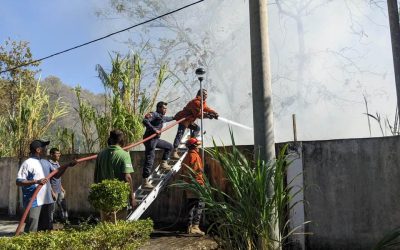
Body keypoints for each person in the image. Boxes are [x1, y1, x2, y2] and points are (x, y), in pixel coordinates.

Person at [16, 139, 76, 233]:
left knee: (46, 228)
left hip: (47, 200)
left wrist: (68, 165)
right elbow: (19, 182)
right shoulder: (28, 163)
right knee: (33, 227)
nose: (46, 149)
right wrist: (36, 181)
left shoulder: (45, 162)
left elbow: (56, 175)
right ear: (38, 150)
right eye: (44, 147)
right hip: (34, 201)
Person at [94, 129, 136, 210]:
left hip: (104, 198)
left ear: (110, 139)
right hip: (119, 199)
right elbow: (127, 177)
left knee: (105, 222)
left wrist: (97, 195)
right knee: (118, 221)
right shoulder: (124, 155)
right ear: (121, 140)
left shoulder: (100, 154)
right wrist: (132, 199)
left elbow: (96, 175)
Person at [172, 89, 218, 159]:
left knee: (197, 128)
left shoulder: (202, 102)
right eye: (205, 94)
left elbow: (206, 108)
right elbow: (198, 115)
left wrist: (214, 113)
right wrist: (208, 116)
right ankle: (174, 151)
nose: (206, 96)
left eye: (206, 94)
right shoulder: (196, 102)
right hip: (183, 119)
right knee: (180, 134)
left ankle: (191, 142)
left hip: (189, 120)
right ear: (201, 94)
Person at [142, 101, 174, 189]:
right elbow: (145, 120)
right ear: (159, 108)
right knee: (150, 159)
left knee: (169, 146)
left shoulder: (161, 117)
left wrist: (175, 117)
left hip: (156, 140)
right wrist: (154, 130)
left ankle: (164, 163)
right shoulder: (154, 114)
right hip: (150, 140)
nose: (165, 110)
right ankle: (145, 181)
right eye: (164, 108)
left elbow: (167, 118)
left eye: (166, 108)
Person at [181, 137, 206, 235]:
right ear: (194, 146)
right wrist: (200, 184)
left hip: (188, 184)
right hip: (196, 184)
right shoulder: (194, 156)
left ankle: (189, 226)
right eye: (198, 145)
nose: (199, 147)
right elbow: (197, 172)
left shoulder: (187, 156)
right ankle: (195, 226)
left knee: (191, 205)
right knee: (200, 204)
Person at [49, 148, 68, 223]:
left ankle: (65, 222)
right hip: (53, 190)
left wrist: (62, 188)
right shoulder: (49, 164)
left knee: (63, 206)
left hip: (59, 189)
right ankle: (49, 224)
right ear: (51, 154)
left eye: (59, 153)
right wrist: (51, 192)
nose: (59, 155)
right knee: (51, 209)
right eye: (57, 153)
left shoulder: (57, 163)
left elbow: (58, 177)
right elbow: (48, 180)